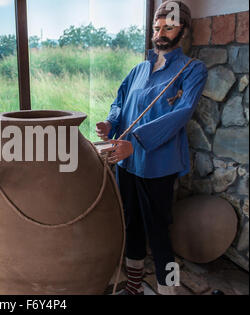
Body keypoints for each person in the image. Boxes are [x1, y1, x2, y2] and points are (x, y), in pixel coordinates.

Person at [96, 1, 207, 295]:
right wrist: (110, 123)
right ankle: (134, 286)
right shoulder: (138, 70)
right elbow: (119, 101)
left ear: (182, 29)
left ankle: (167, 290)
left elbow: (182, 113)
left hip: (159, 164)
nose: (160, 32)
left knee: (159, 232)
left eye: (168, 27)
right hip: (126, 163)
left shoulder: (192, 70)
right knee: (131, 224)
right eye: (157, 27)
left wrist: (134, 143)